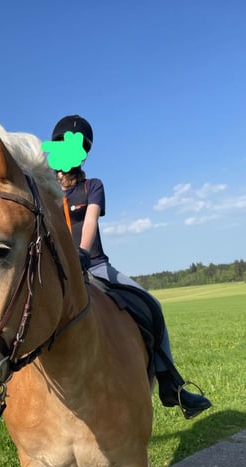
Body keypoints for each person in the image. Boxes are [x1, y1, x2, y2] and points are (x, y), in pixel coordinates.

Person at [49, 114, 212, 419]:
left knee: (153, 304)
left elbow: (91, 222)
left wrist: (83, 253)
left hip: (94, 265)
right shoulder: (48, 193)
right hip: (60, 272)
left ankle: (171, 386)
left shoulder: (92, 187)